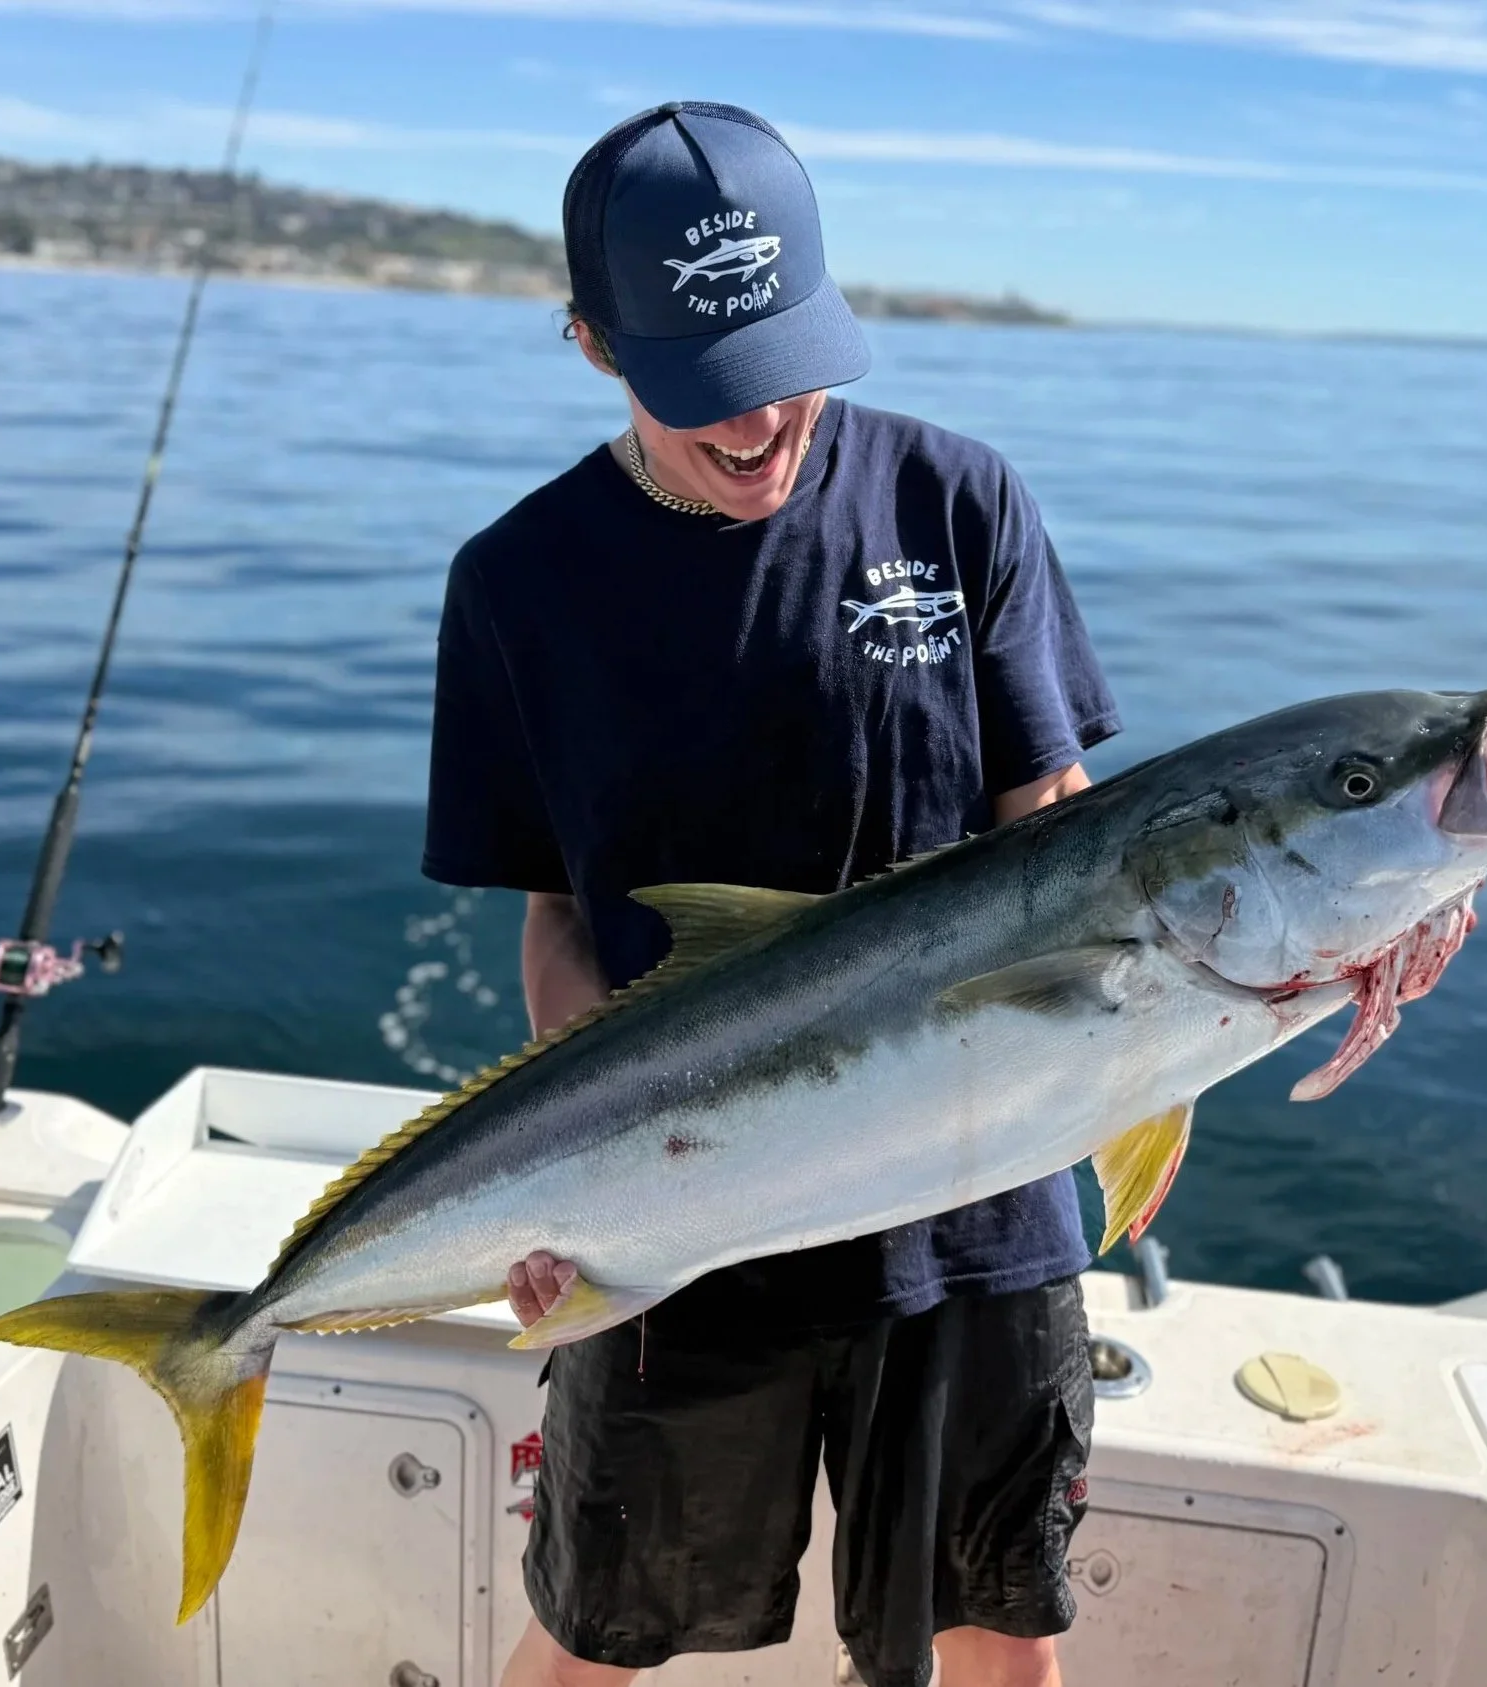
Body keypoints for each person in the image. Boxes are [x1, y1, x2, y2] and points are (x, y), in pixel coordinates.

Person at [422, 102, 1120, 1687]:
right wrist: (573, 1192)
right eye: (707, 393)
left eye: (787, 366)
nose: (761, 429)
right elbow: (558, 917)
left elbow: (1066, 842)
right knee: (602, 1631)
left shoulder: (958, 501)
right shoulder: (519, 584)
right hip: (683, 1221)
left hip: (976, 1207)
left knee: (999, 1630)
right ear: (593, 343)